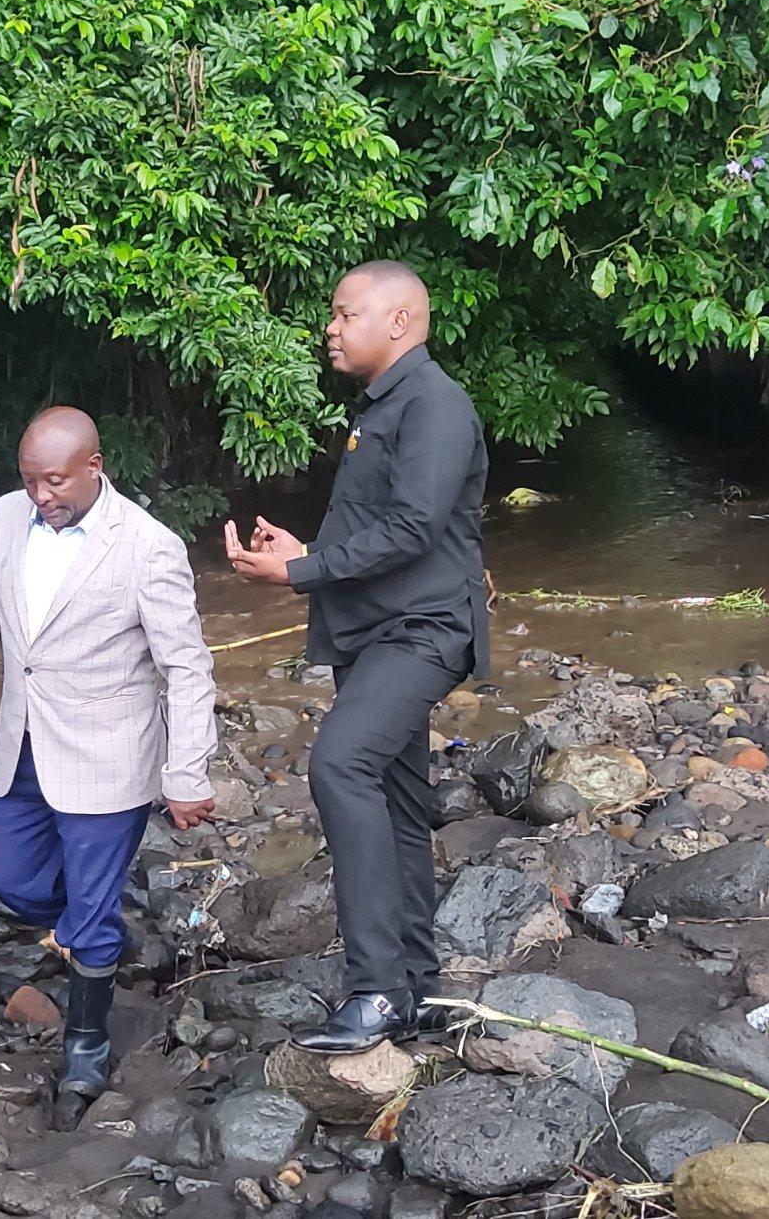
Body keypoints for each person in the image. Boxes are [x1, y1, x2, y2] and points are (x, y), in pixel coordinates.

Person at [0, 407, 217, 1130]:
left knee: (86, 914)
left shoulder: (147, 547)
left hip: (109, 754)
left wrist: (187, 772)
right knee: (15, 884)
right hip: (23, 743)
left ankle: (86, 1044)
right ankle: (98, 931)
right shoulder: (0, 520)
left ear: (95, 466)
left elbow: (186, 667)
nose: (41, 495)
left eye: (54, 480)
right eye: (29, 480)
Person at [226, 260, 488, 1053]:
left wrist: (301, 570)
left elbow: (414, 527)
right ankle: (416, 988)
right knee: (401, 801)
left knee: (338, 766)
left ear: (399, 321)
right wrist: (307, 551)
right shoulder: (383, 407)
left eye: (344, 315)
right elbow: (391, 526)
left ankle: (374, 991)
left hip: (422, 632)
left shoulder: (435, 405)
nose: (331, 329)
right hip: (378, 632)